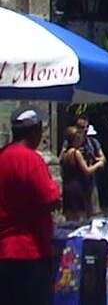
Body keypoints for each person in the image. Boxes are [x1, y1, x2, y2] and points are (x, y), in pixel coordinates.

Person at [0, 110, 61, 305]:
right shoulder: (31, 159)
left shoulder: (2, 156)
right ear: (35, 131)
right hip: (30, 250)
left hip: (4, 249)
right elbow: (51, 198)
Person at [60, 126, 104, 222]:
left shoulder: (65, 154)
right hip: (77, 187)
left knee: (69, 216)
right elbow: (87, 170)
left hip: (67, 186)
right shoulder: (76, 153)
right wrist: (98, 164)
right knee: (80, 216)